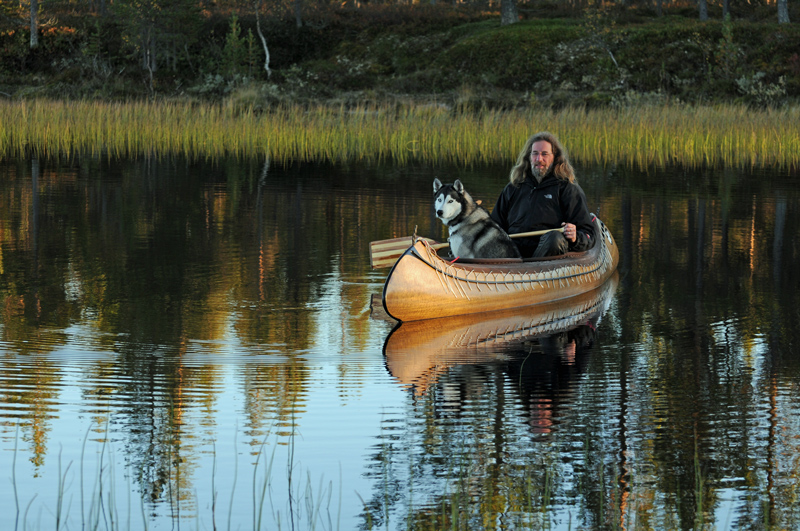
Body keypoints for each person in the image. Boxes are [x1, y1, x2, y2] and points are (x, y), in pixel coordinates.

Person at [490, 131, 596, 258]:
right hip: (514, 255)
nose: (539, 159)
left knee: (554, 238)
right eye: (535, 154)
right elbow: (494, 225)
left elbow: (588, 234)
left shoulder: (568, 189)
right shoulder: (513, 188)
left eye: (544, 154)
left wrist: (575, 236)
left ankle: (532, 269)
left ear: (555, 157)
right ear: (529, 157)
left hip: (547, 256)